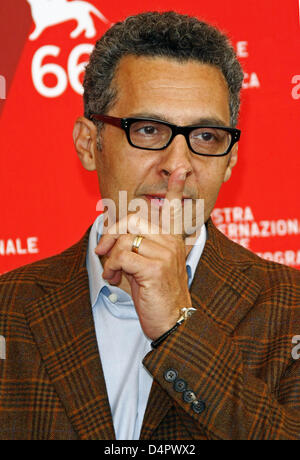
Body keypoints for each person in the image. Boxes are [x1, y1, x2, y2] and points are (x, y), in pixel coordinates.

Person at [0, 11, 300, 441]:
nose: (177, 166)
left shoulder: (291, 310)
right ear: (89, 144)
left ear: (231, 159)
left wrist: (181, 327)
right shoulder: (8, 311)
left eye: (205, 137)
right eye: (147, 129)